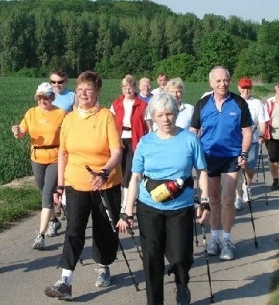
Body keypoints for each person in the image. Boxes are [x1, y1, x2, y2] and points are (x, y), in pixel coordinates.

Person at [117, 93, 210, 305]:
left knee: (180, 257)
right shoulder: (145, 143)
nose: (166, 119)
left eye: (169, 114)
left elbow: (202, 171)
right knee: (152, 259)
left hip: (181, 207)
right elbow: (135, 178)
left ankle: (181, 284)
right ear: (153, 117)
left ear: (176, 114)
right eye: (160, 115)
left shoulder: (189, 139)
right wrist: (127, 211)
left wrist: (204, 201)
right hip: (149, 208)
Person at [44, 71, 123, 300]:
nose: (83, 94)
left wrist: (104, 171)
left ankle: (104, 265)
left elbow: (117, 151)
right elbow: (63, 153)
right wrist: (60, 186)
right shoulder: (69, 119)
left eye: (88, 89)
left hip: (105, 183)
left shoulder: (106, 116)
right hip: (76, 183)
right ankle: (66, 280)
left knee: (104, 230)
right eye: (80, 90)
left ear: (97, 91)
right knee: (74, 230)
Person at [190, 66, 252, 261]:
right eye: (218, 81)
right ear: (211, 83)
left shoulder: (238, 102)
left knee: (227, 198)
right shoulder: (202, 105)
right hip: (209, 158)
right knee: (213, 199)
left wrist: (243, 153)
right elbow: (193, 131)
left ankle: (227, 240)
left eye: (225, 80)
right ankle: (214, 238)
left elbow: (247, 132)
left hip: (232, 156)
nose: (222, 84)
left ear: (229, 80)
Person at [11, 82, 66, 249]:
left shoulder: (61, 113)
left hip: (55, 157)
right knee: (43, 191)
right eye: (40, 97)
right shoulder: (31, 113)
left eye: (47, 97)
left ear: (52, 98)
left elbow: (69, 134)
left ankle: (40, 235)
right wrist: (17, 132)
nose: (43, 100)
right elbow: (21, 132)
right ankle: (54, 221)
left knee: (47, 192)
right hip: (37, 157)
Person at [110, 75, 148, 212]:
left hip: (135, 140)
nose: (127, 90)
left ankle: (125, 204)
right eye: (125, 88)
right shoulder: (116, 104)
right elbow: (110, 122)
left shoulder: (142, 105)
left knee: (129, 173)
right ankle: (124, 198)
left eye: (130, 88)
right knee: (119, 170)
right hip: (119, 140)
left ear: (134, 87)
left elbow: (148, 126)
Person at [234, 77, 268, 211]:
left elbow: (262, 122)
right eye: (243, 88)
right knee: (236, 170)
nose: (246, 90)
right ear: (239, 88)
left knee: (249, 167)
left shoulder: (257, 103)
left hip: (252, 140)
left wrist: (261, 134)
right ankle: (238, 197)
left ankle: (246, 187)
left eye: (248, 88)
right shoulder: (234, 102)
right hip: (236, 141)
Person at [49, 69, 75, 219]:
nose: (56, 85)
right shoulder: (47, 95)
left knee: (64, 173)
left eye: (60, 82)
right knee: (52, 177)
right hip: (50, 143)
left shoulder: (72, 96)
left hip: (66, 141)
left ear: (66, 81)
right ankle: (56, 205)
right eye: (53, 82)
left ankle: (62, 203)